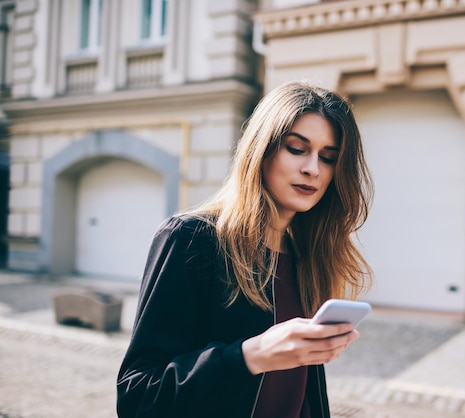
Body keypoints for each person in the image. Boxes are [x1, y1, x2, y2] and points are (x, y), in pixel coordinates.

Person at [116, 81, 374, 418]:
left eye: (328, 158)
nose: (313, 168)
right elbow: (137, 396)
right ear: (261, 150)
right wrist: (251, 356)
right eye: (296, 148)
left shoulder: (304, 256)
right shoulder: (191, 239)